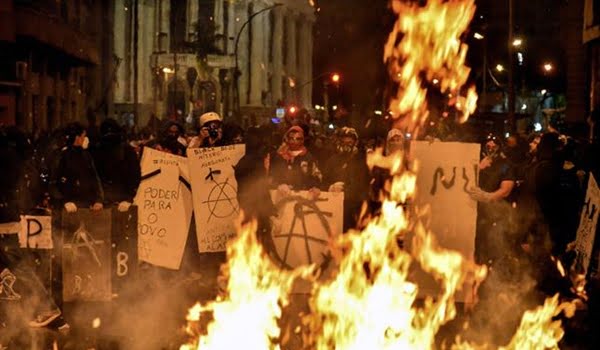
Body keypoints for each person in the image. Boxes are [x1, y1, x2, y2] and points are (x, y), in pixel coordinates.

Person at [0, 126, 68, 332]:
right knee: (12, 264)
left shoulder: (5, 157)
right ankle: (41, 311)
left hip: (3, 219)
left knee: (16, 264)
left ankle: (46, 308)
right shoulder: (16, 158)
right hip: (8, 216)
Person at [467, 133, 516, 265]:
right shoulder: (475, 161)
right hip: (476, 214)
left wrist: (488, 197)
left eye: (495, 143)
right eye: (488, 142)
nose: (491, 145)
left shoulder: (506, 165)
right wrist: (479, 168)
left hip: (497, 216)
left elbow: (506, 190)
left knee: (495, 249)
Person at [323, 127, 370, 231]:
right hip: (335, 207)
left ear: (355, 142)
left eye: (350, 142)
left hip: (355, 209)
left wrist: (346, 191)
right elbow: (323, 181)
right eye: (344, 141)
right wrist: (330, 187)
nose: (347, 144)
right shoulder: (332, 161)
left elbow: (363, 184)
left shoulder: (361, 160)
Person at [50, 122, 104, 213]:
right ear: (77, 138)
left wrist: (98, 200)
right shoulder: (62, 156)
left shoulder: (86, 155)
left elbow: (94, 178)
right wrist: (64, 201)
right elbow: (54, 183)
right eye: (83, 136)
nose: (84, 139)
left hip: (86, 206)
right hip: (67, 208)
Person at [92, 119, 141, 211]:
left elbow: (134, 175)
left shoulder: (126, 151)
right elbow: (95, 176)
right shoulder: (98, 150)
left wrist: (128, 198)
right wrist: (98, 199)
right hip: (104, 201)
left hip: (121, 199)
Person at [270, 126, 322, 195]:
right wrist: (280, 185)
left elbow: (316, 176)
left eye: (298, 139)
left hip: (304, 195)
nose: (295, 141)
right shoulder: (280, 156)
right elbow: (273, 177)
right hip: (283, 196)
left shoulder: (308, 157)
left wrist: (314, 187)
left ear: (302, 140)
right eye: (291, 138)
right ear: (287, 139)